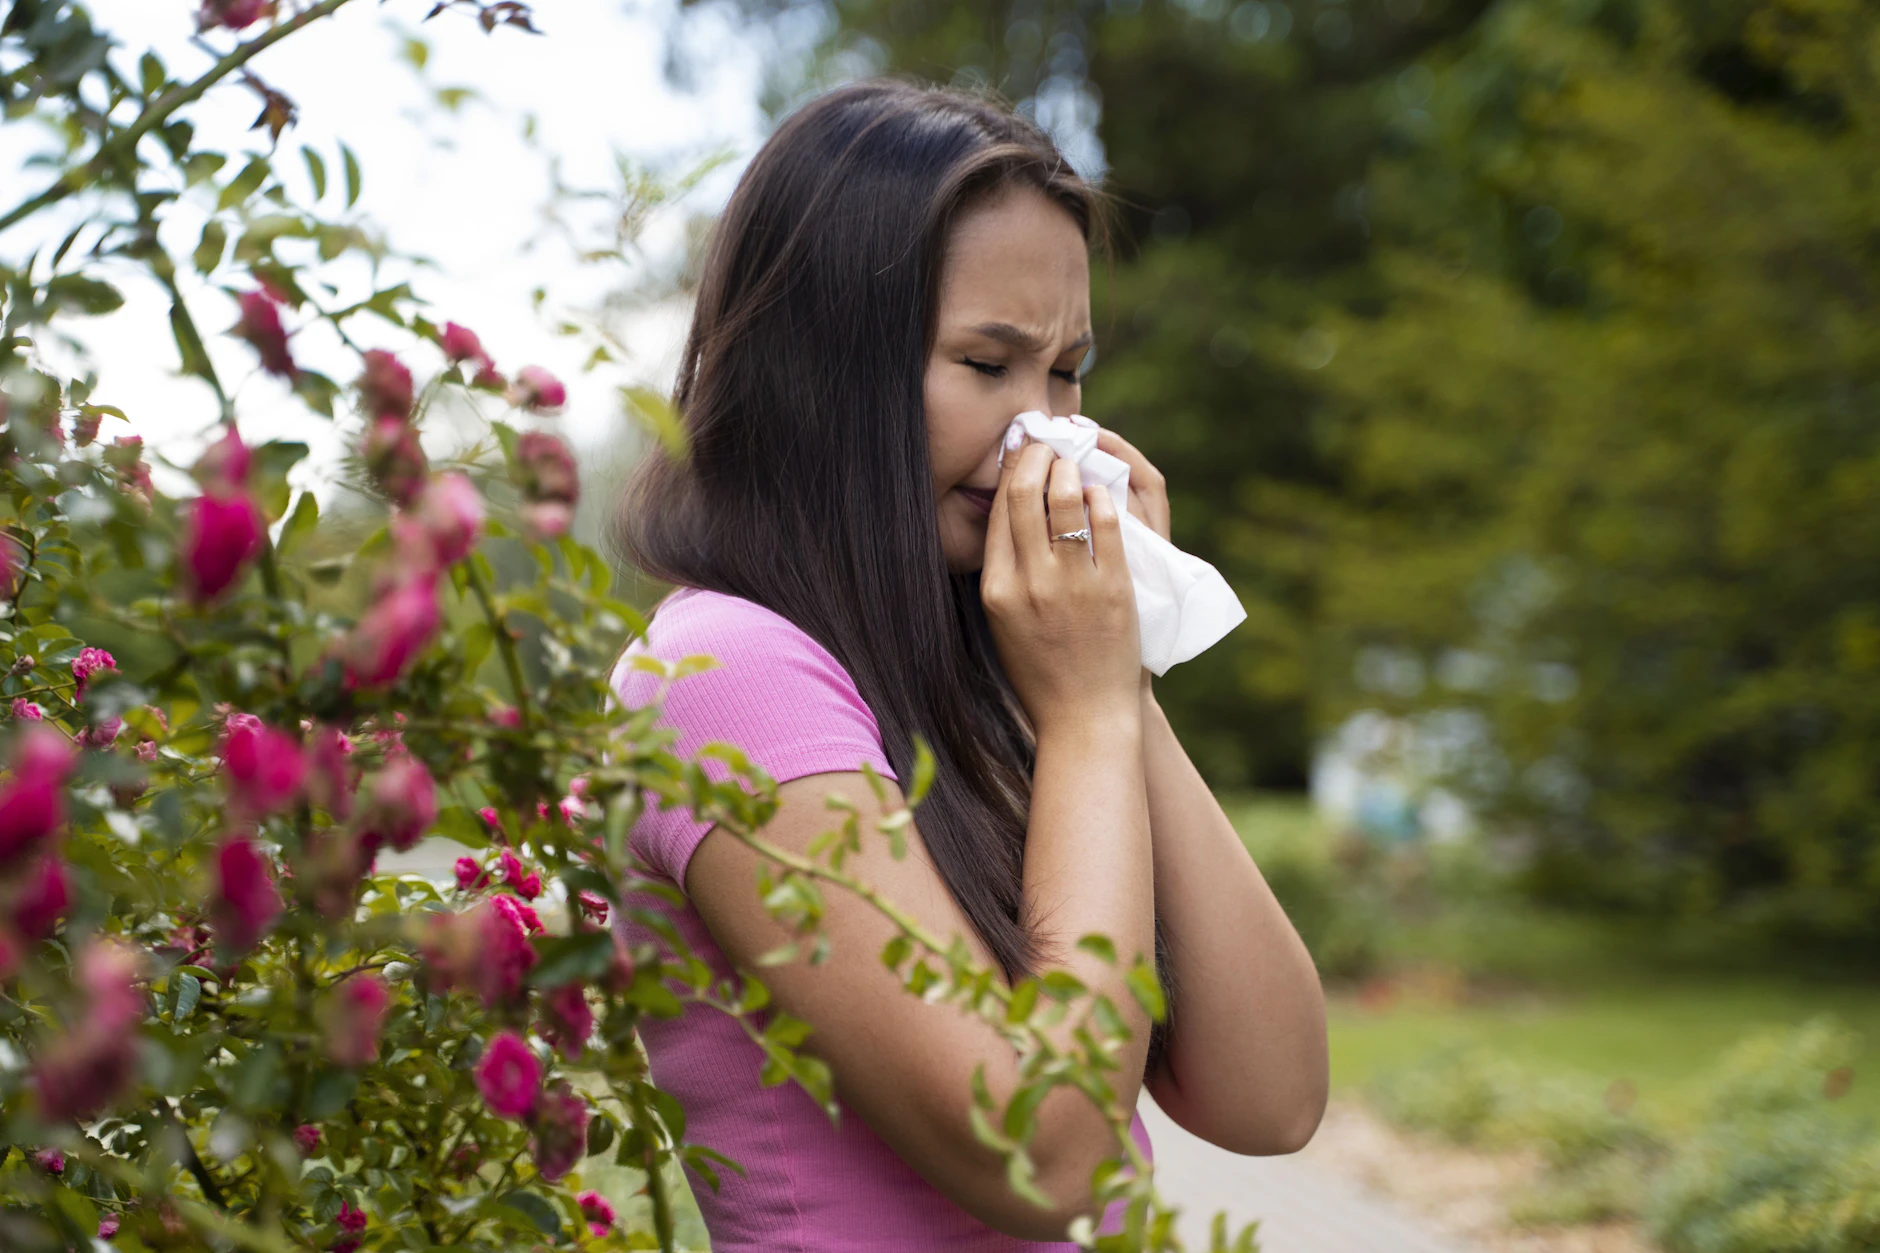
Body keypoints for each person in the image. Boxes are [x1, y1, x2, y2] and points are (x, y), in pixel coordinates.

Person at [608, 79, 1327, 1251]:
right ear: (821, 369)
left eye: (1066, 371)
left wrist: (1118, 679)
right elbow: (1043, 1154)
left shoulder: (985, 672)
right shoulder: (724, 674)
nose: (1045, 432)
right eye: (989, 364)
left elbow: (1272, 1095)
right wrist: (1086, 716)